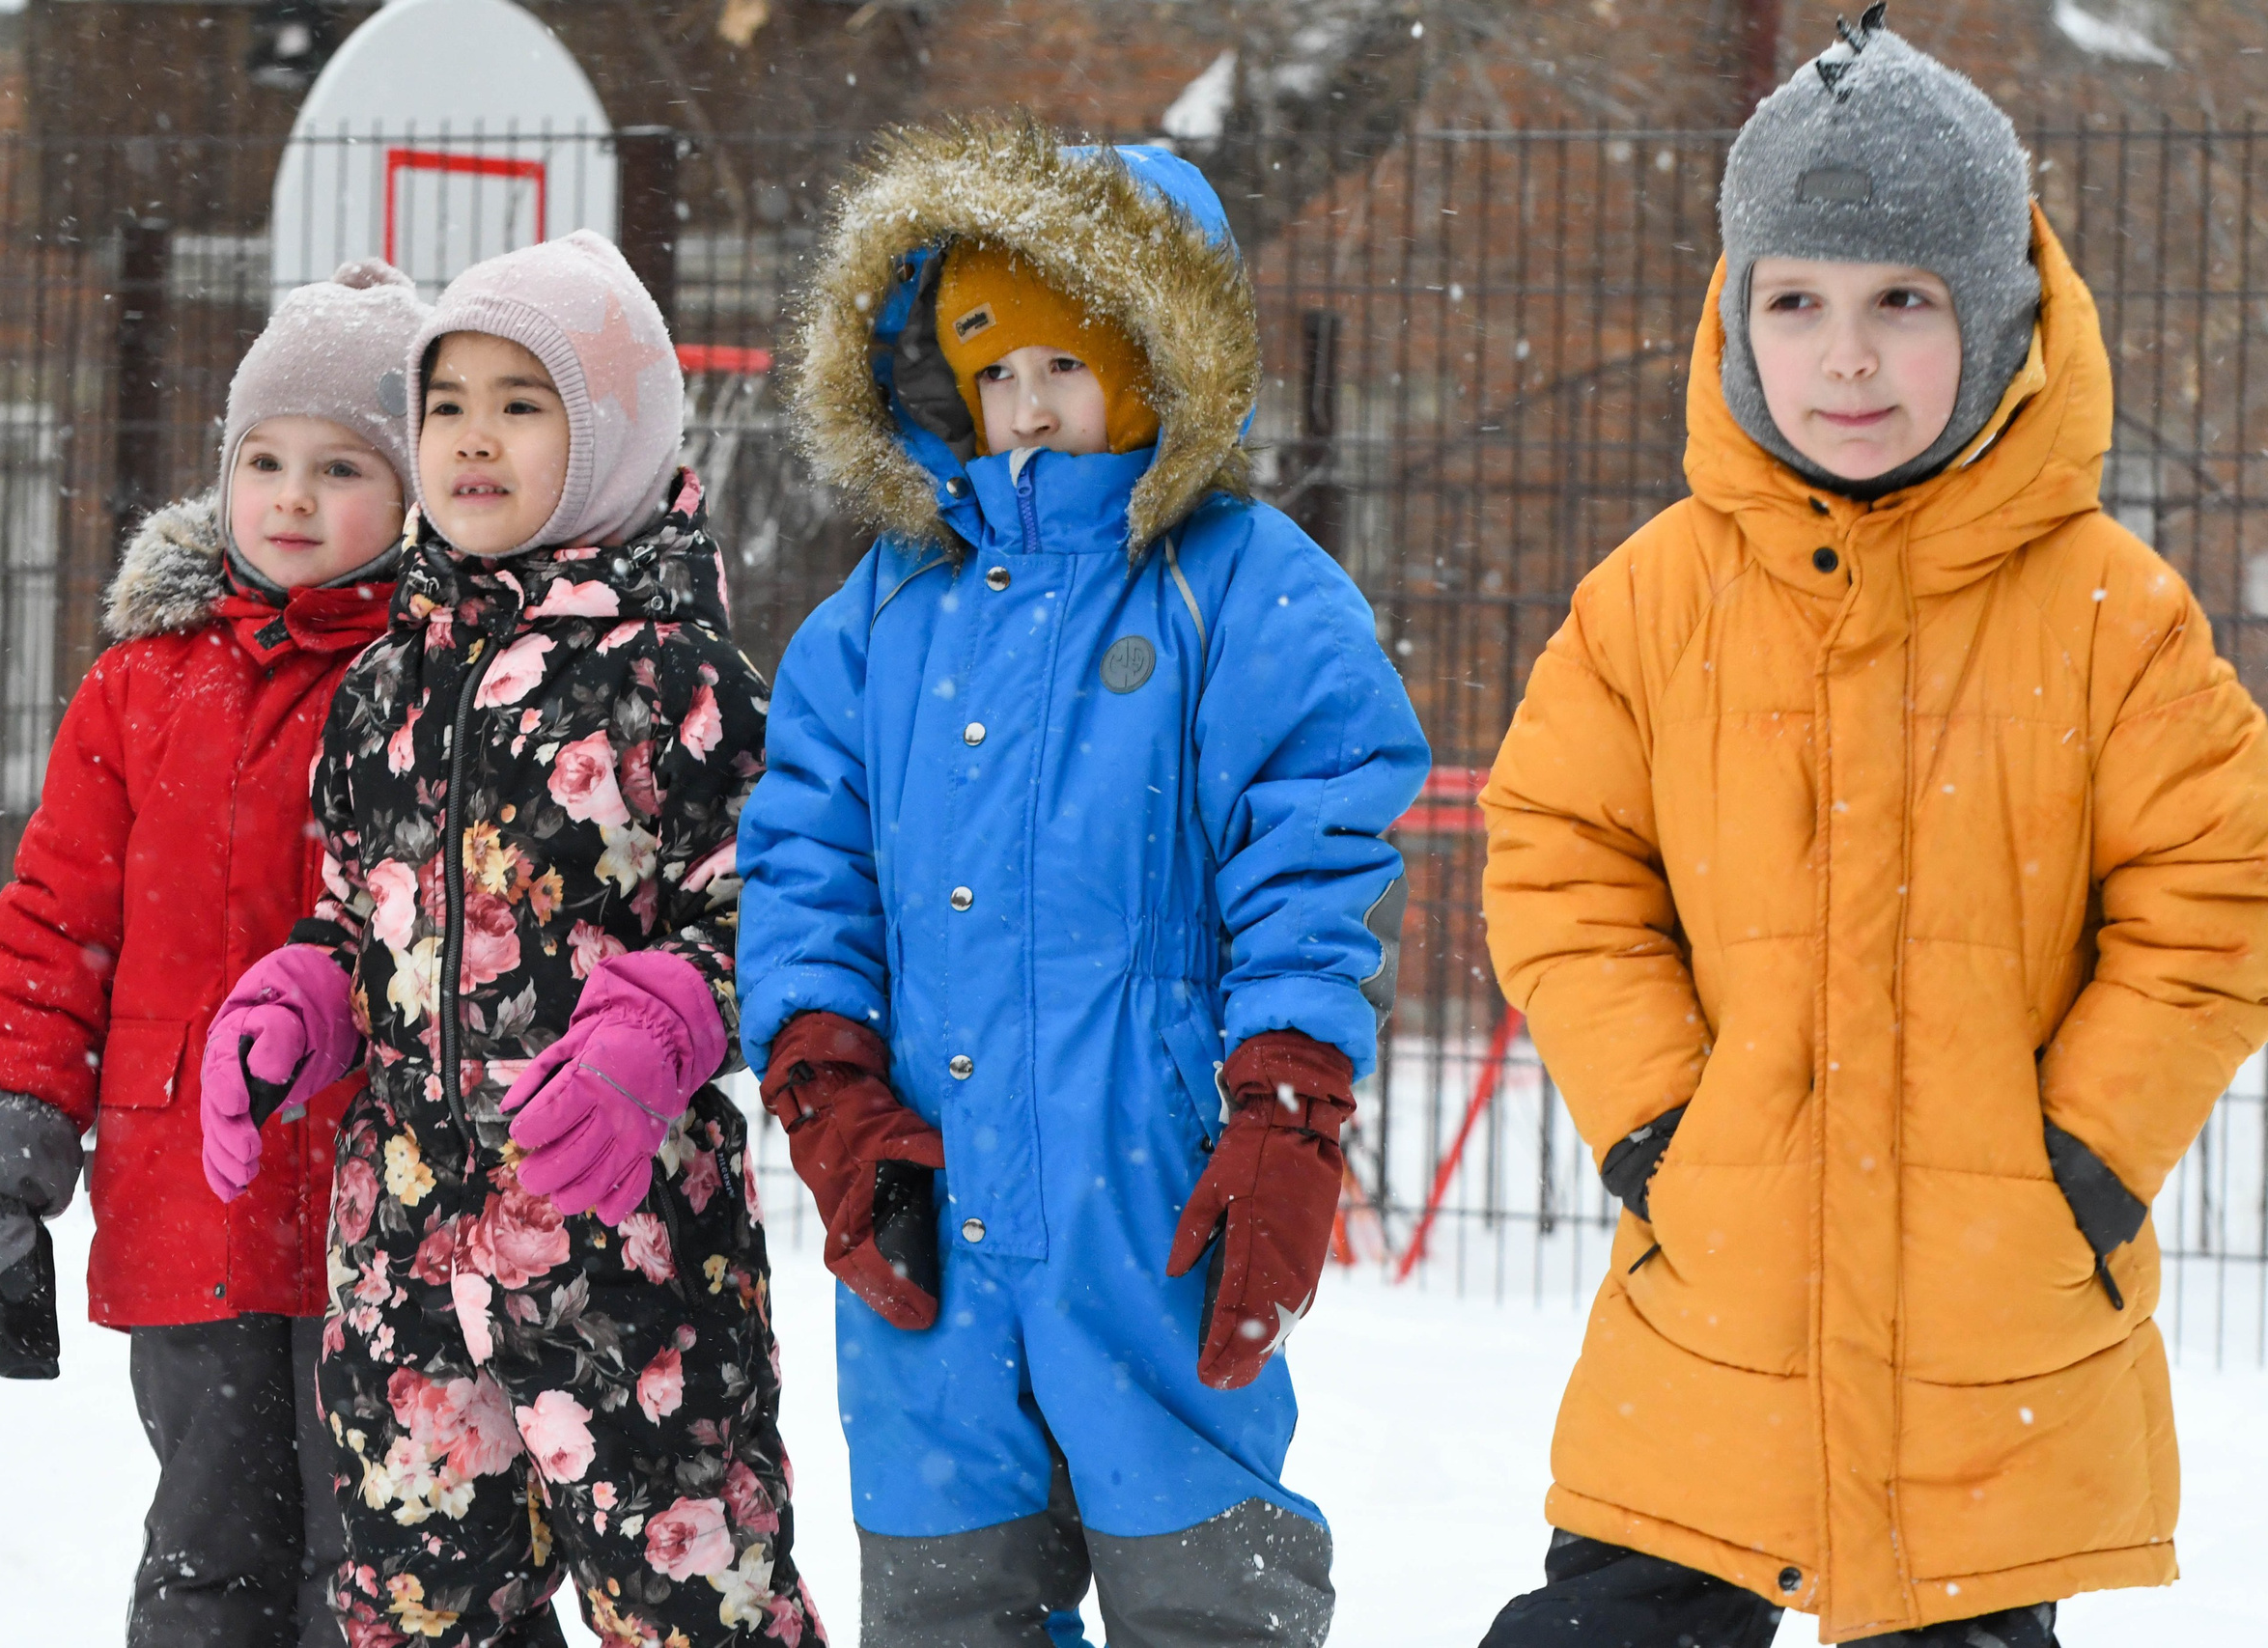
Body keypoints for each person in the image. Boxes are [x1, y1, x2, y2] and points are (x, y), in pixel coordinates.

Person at [1476, 11, 2268, 1646]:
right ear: (1735, 318)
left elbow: (2221, 887)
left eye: (1903, 301)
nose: (1846, 357)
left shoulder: (2112, 616)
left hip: (1990, 1333)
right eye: (1798, 302)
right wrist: (1658, 1124)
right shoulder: (1654, 602)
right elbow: (1558, 858)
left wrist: (2082, 1158)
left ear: (1997, 314)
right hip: (1717, 1309)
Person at [739, 119, 1430, 1647]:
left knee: (1202, 1588)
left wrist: (1289, 1102)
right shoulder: (887, 612)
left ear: (1157, 359)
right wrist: (829, 1087)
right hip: (925, 1196)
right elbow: (804, 855)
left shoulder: (1243, 587)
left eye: (1066, 364)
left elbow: (1317, 855)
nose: (1030, 408)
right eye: (994, 373)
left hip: (1155, 1192)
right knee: (948, 1591)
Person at [199, 229, 821, 1648]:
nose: (472, 439)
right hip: (405, 1255)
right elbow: (359, 913)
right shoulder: (381, 688)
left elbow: (772, 911)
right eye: (447, 406)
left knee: (694, 1607)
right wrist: (302, 1002)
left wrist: (665, 1023)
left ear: (613, 435)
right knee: (419, 1611)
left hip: (631, 1263)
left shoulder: (684, 679)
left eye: (521, 405)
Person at [0, 260, 427, 1647]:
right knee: (207, 1555)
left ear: (412, 496)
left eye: (341, 467)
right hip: (191, 1210)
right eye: (263, 460)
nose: (291, 497)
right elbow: (55, 928)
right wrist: (5, 1173)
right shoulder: (142, 687)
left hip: (384, 1214)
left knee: (381, 1565)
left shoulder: (437, 680)